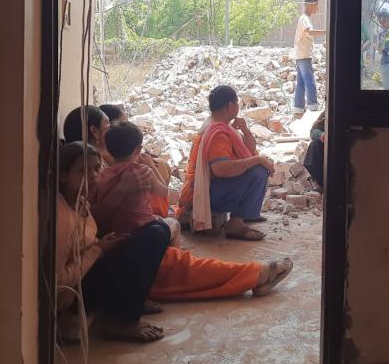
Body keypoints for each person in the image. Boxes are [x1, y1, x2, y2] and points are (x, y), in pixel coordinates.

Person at [91, 127, 294, 301]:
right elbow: (169, 194)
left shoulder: (100, 175)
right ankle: (257, 275)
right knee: (192, 261)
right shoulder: (140, 172)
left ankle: (182, 258)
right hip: (140, 239)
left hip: (117, 236)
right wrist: (158, 172)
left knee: (170, 228)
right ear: (137, 149)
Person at [55, 142, 168, 343]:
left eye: (96, 169)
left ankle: (130, 304)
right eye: (83, 170)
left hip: (91, 265)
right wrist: (97, 250)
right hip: (72, 297)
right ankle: (119, 321)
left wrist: (101, 245)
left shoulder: (81, 201)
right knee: (155, 235)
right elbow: (59, 282)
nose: (93, 176)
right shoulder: (62, 216)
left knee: (156, 230)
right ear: (63, 175)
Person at [178, 85, 273, 240]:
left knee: (256, 166)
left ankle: (245, 214)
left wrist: (245, 130)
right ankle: (236, 224)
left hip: (210, 189)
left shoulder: (223, 127)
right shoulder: (218, 132)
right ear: (230, 106)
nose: (238, 106)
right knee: (258, 171)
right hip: (204, 194)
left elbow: (248, 149)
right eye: (236, 103)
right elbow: (221, 169)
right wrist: (258, 160)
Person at [95, 121, 181, 247]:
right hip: (141, 230)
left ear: (108, 149)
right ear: (139, 149)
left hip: (112, 231)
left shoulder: (103, 174)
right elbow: (164, 192)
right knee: (174, 223)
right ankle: (170, 260)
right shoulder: (142, 171)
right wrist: (151, 165)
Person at [293, 0, 326, 114]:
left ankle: (298, 107)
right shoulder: (304, 19)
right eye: (316, 5)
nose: (317, 7)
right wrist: (327, 31)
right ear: (310, 5)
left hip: (301, 54)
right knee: (309, 80)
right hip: (304, 55)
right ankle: (313, 105)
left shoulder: (304, 18)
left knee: (301, 82)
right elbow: (310, 31)